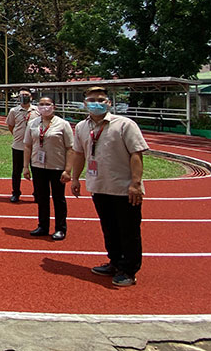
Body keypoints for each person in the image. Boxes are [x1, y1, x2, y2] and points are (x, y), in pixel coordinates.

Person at [71, 86, 149, 287]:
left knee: (128, 230)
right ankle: (115, 262)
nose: (96, 103)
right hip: (99, 186)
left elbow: (136, 153)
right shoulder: (81, 127)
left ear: (109, 103)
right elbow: (79, 154)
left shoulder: (124, 125)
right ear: (85, 103)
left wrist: (135, 183)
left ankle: (129, 270)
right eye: (91, 99)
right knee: (109, 228)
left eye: (101, 99)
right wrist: (75, 178)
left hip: (124, 188)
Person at [22, 96, 74, 240]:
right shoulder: (33, 124)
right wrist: (26, 166)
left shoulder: (63, 124)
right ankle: (43, 226)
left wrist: (68, 170)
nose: (44, 107)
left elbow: (70, 148)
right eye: (41, 104)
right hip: (38, 166)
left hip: (57, 166)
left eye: (47, 104)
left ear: (54, 107)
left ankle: (60, 228)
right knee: (42, 197)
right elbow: (27, 145)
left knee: (58, 198)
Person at [6, 87, 39, 203]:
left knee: (36, 171)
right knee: (16, 171)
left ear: (31, 96)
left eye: (26, 95)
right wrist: (17, 135)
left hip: (35, 146)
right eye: (21, 95)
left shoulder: (37, 111)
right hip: (18, 146)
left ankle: (37, 193)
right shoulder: (14, 111)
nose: (23, 97)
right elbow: (10, 126)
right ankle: (15, 193)